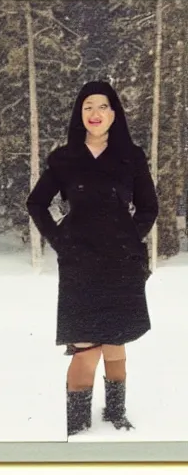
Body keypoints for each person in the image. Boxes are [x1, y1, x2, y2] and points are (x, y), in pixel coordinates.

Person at [26, 81, 158, 436]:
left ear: (114, 113)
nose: (95, 113)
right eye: (88, 107)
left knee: (116, 342)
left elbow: (149, 207)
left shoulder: (131, 156)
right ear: (79, 114)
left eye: (102, 106)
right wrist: (59, 240)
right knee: (84, 346)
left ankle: (116, 414)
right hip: (80, 265)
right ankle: (78, 423)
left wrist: (129, 238)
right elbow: (36, 203)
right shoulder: (65, 158)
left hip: (121, 265)